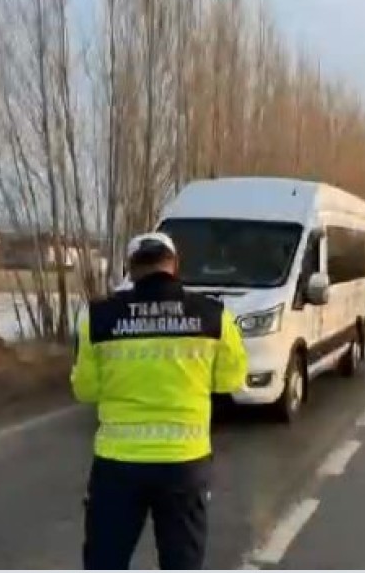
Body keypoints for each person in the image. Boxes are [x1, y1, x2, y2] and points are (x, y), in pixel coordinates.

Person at [72, 231, 248, 570]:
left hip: (118, 465)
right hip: (185, 463)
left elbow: (85, 390)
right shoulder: (213, 315)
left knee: (105, 561)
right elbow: (231, 379)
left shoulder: (98, 317)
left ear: (130, 268)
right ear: (175, 265)